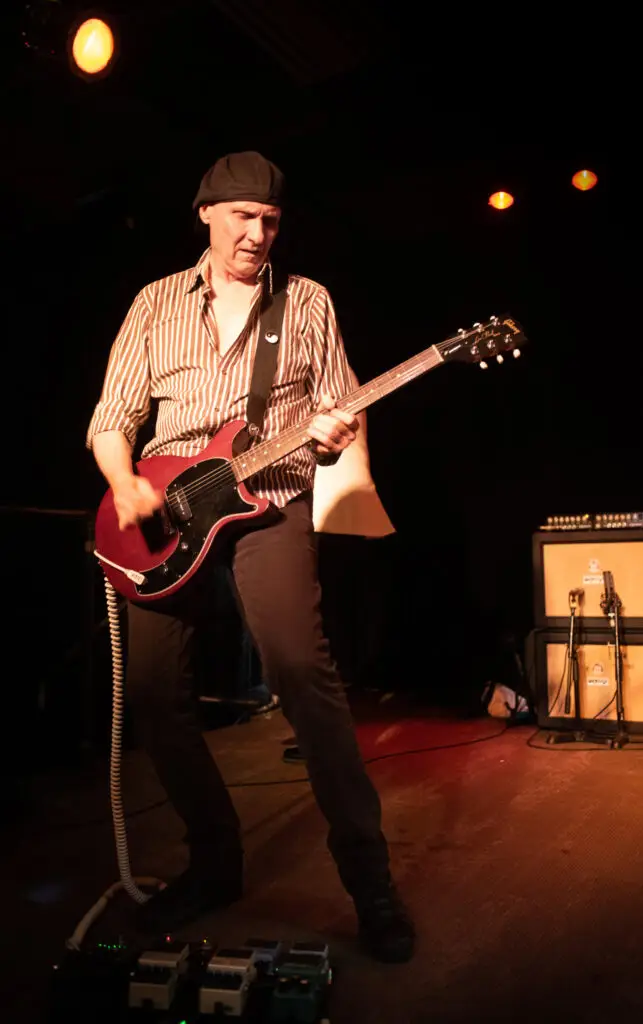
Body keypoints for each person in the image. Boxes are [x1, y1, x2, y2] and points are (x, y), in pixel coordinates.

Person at [86, 151, 415, 963]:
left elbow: (338, 403)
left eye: (269, 220)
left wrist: (337, 433)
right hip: (163, 515)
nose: (256, 234)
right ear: (205, 214)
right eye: (241, 217)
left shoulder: (304, 302)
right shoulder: (156, 302)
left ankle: (369, 883)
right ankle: (214, 861)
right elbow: (109, 419)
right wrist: (124, 483)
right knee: (158, 696)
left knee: (302, 672)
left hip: (266, 504)